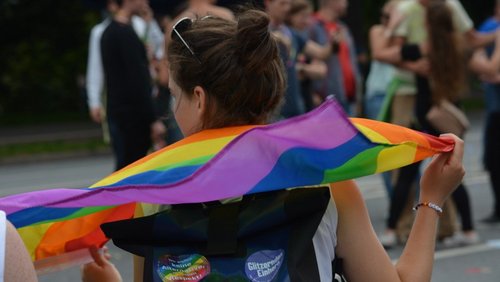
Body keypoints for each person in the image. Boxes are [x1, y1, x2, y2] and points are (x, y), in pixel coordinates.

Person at [125, 9, 466, 281]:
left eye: (174, 96)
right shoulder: (325, 186)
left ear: (198, 98)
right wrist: (431, 200)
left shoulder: (155, 192)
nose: (173, 109)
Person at [376, 0, 480, 248]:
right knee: (453, 170)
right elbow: (474, 44)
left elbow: (381, 53)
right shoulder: (455, 46)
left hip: (424, 116)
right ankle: (468, 229)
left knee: (407, 173)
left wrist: (393, 28)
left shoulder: (422, 48)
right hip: (448, 116)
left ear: (427, 24)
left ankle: (391, 229)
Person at [100, 0, 166, 170]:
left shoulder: (111, 31)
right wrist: (152, 119)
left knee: (126, 167)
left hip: (121, 111)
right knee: (130, 168)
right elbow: (138, 79)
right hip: (132, 116)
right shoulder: (125, 34)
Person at [264, 0, 334, 118]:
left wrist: (333, 42)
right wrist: (275, 37)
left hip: (295, 108)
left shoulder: (291, 33)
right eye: (282, 3)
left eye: (289, 4)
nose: (287, 8)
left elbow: (321, 53)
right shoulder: (260, 31)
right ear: (268, 3)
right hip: (270, 111)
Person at [308, 0, 363, 115]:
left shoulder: (343, 28)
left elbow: (352, 63)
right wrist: (311, 93)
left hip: (348, 99)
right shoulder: (311, 26)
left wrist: (358, 97)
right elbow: (306, 60)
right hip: (325, 102)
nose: (347, 3)